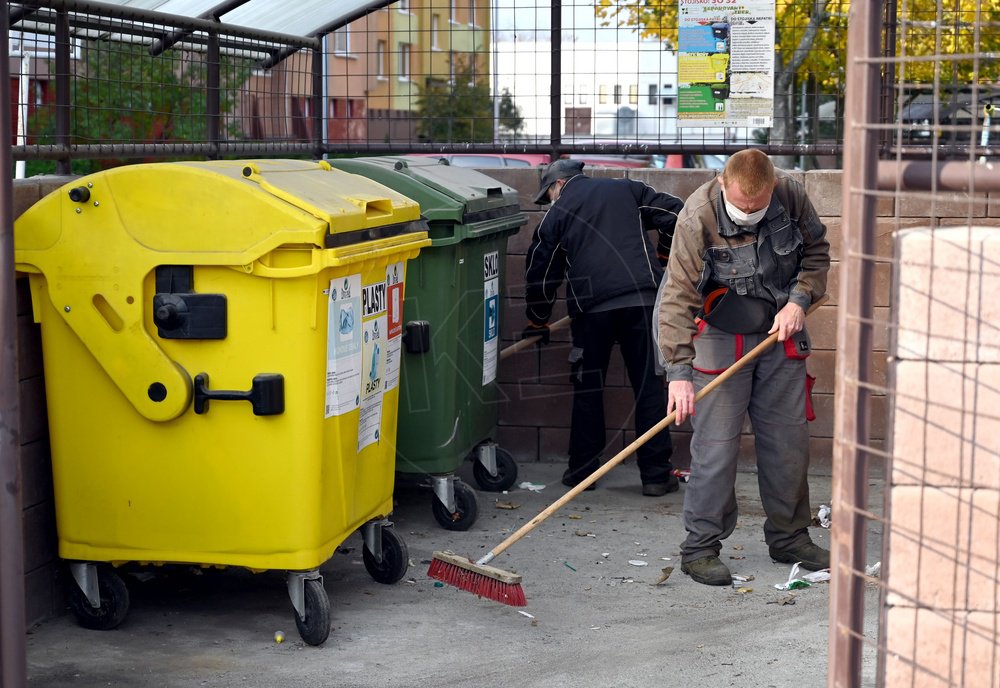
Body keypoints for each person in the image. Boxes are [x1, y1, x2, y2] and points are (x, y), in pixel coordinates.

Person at [656, 149, 831, 585]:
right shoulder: (697, 215)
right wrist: (678, 373)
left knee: (788, 444)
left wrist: (799, 300)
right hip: (720, 332)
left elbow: (816, 254)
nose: (749, 213)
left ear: (773, 186)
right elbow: (676, 296)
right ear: (722, 185)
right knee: (714, 449)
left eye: (758, 205)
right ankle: (699, 548)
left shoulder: (791, 195)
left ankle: (790, 538)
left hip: (779, 330)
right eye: (740, 206)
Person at [523, 159, 684, 496]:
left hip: (592, 310)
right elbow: (677, 214)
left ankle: (583, 474)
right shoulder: (627, 188)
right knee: (649, 388)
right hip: (643, 302)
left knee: (588, 389)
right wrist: (664, 255)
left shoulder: (557, 213)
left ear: (557, 185)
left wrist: (538, 319)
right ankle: (655, 475)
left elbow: (541, 272)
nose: (549, 200)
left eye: (548, 194)